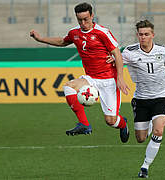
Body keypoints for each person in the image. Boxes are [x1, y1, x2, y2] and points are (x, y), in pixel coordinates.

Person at [30, 2, 130, 143]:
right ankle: (84, 124)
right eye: (80, 20)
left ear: (92, 16)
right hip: (91, 78)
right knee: (68, 87)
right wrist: (40, 39)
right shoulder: (74, 33)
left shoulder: (102, 32)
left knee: (111, 121)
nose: (83, 23)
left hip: (109, 80)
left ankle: (123, 123)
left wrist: (120, 77)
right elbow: (62, 42)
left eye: (86, 19)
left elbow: (117, 54)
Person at [122, 20, 165, 178]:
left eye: (146, 34)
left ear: (153, 35)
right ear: (137, 35)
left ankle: (145, 167)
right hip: (141, 100)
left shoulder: (163, 50)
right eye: (140, 34)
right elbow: (116, 63)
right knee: (140, 138)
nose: (143, 37)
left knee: (159, 130)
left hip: (162, 98)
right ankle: (126, 123)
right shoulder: (129, 52)